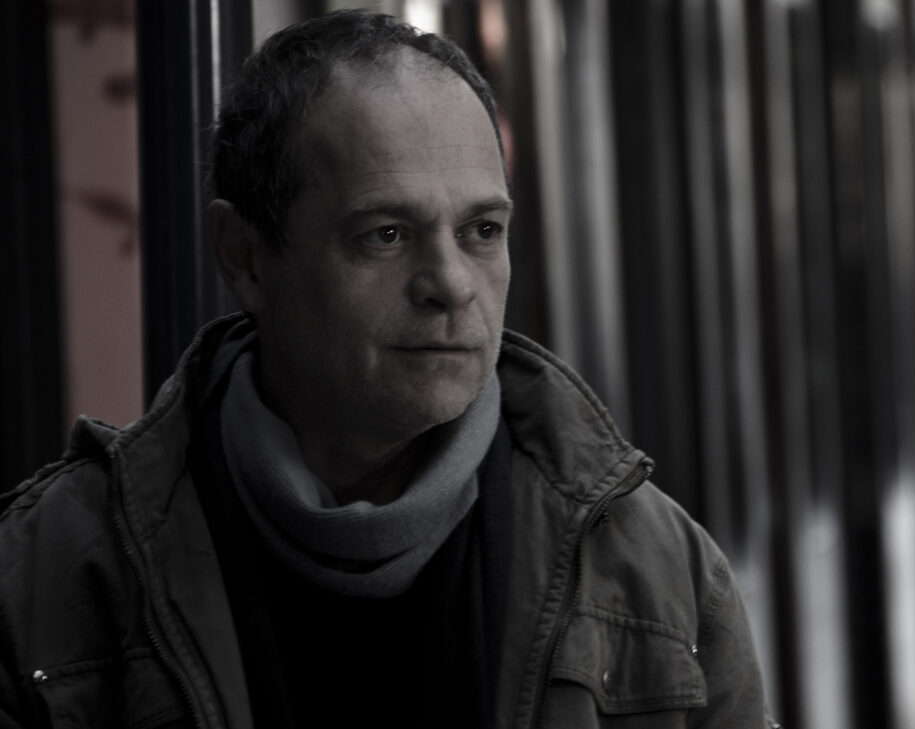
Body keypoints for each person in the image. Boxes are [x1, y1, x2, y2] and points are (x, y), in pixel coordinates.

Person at [0, 10, 771, 728]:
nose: (452, 284)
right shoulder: (51, 572)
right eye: (388, 234)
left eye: (482, 230)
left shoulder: (655, 569)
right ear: (246, 257)